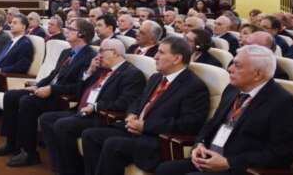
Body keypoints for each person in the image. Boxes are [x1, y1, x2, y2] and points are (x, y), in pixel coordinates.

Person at [155, 45, 293, 175]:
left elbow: (280, 153)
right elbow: (212, 123)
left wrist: (229, 163)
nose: (230, 69)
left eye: (237, 66)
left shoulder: (284, 103)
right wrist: (199, 144)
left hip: (241, 168)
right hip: (211, 158)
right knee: (165, 170)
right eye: (232, 63)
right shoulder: (232, 89)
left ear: (258, 74)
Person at [81, 36, 210, 175]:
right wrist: (131, 114)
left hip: (156, 139)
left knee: (113, 144)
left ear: (177, 58)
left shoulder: (194, 86)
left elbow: (189, 124)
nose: (155, 57)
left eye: (161, 53)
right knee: (90, 135)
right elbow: (137, 100)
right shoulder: (156, 77)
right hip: (134, 130)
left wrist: (145, 126)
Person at [0, 19, 97, 166]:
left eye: (71, 29)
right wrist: (37, 85)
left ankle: (29, 153)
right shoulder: (66, 52)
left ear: (82, 34)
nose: (67, 31)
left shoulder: (89, 56)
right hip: (50, 91)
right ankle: (11, 143)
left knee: (27, 102)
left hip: (63, 98)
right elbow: (53, 75)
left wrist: (51, 89)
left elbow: (78, 87)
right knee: (11, 95)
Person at [39, 38, 146, 175]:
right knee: (46, 119)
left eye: (102, 51)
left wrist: (96, 106)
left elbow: (125, 102)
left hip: (100, 116)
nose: (98, 55)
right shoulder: (101, 70)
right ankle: (59, 166)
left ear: (115, 52)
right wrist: (89, 72)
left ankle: (71, 171)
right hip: (82, 111)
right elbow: (79, 91)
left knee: (63, 125)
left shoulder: (131, 74)